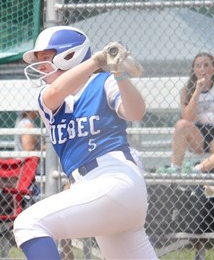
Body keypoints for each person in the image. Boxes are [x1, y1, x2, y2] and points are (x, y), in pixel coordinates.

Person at [13, 26, 157, 259]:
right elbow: (57, 91)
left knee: (28, 223)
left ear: (69, 56)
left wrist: (119, 74)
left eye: (46, 58)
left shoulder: (104, 82)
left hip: (114, 179)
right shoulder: (47, 97)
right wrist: (97, 60)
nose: (40, 67)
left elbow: (136, 112)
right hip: (95, 191)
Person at [166, 52, 214, 173]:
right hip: (199, 135)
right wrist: (197, 90)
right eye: (198, 66)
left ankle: (197, 170)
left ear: (213, 68)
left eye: (206, 65)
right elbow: (187, 118)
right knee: (181, 124)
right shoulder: (187, 90)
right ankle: (175, 168)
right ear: (194, 69)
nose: (202, 69)